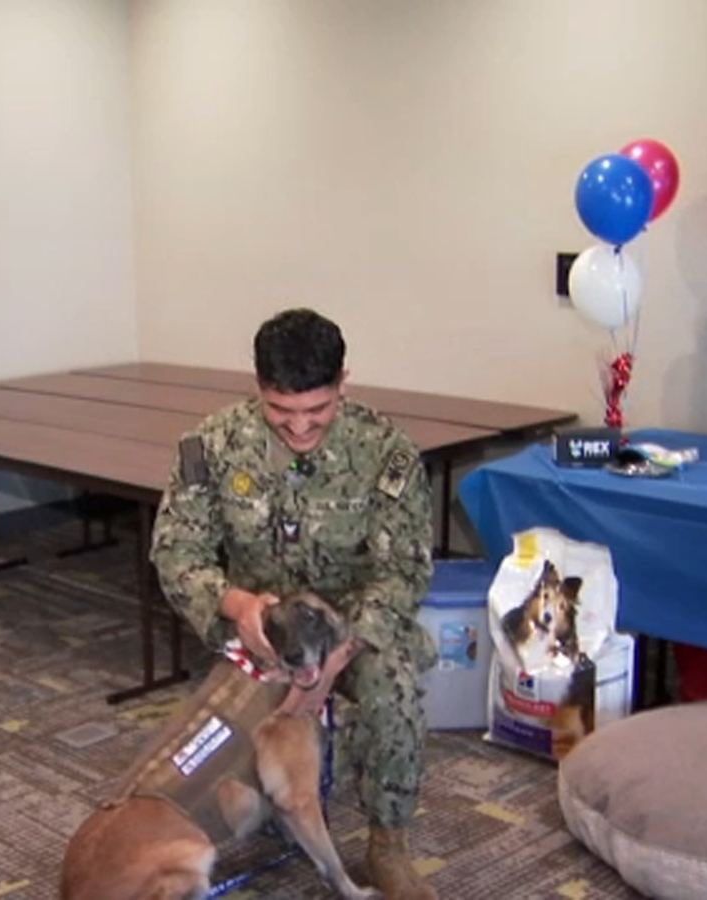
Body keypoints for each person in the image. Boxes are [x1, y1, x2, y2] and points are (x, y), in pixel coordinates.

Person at [149, 308, 439, 900]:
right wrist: (235, 605)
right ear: (258, 388)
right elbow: (175, 554)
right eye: (282, 412)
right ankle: (252, 820)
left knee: (394, 685)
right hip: (257, 629)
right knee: (207, 740)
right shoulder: (212, 446)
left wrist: (330, 663)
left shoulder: (385, 452)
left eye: (318, 410)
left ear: (343, 383)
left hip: (350, 626)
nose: (301, 427)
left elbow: (404, 572)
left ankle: (387, 840)